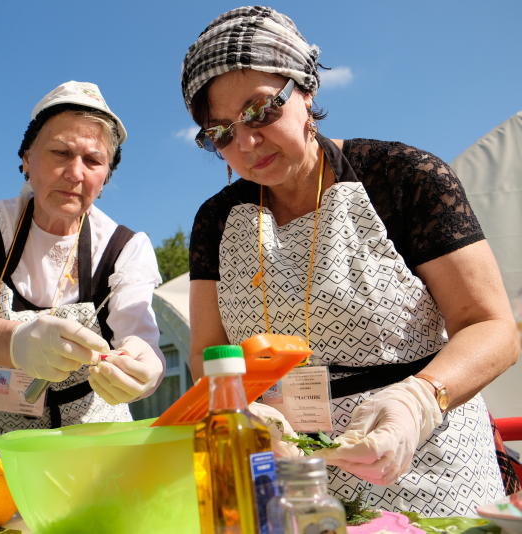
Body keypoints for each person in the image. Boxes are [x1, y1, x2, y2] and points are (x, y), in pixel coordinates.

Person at [181, 6, 519, 514]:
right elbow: (209, 352)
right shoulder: (216, 221)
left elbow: (491, 326)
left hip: (428, 471)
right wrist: (240, 412)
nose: (247, 142)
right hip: (288, 481)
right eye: (222, 131)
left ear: (305, 90)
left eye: (260, 110)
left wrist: (419, 400)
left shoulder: (404, 177)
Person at [0, 80, 165, 477]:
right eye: (60, 153)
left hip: (94, 451)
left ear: (106, 178)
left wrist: (145, 368)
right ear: (27, 158)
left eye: (93, 161)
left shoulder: (123, 247)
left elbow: (138, 333)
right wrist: (13, 342)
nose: (75, 173)